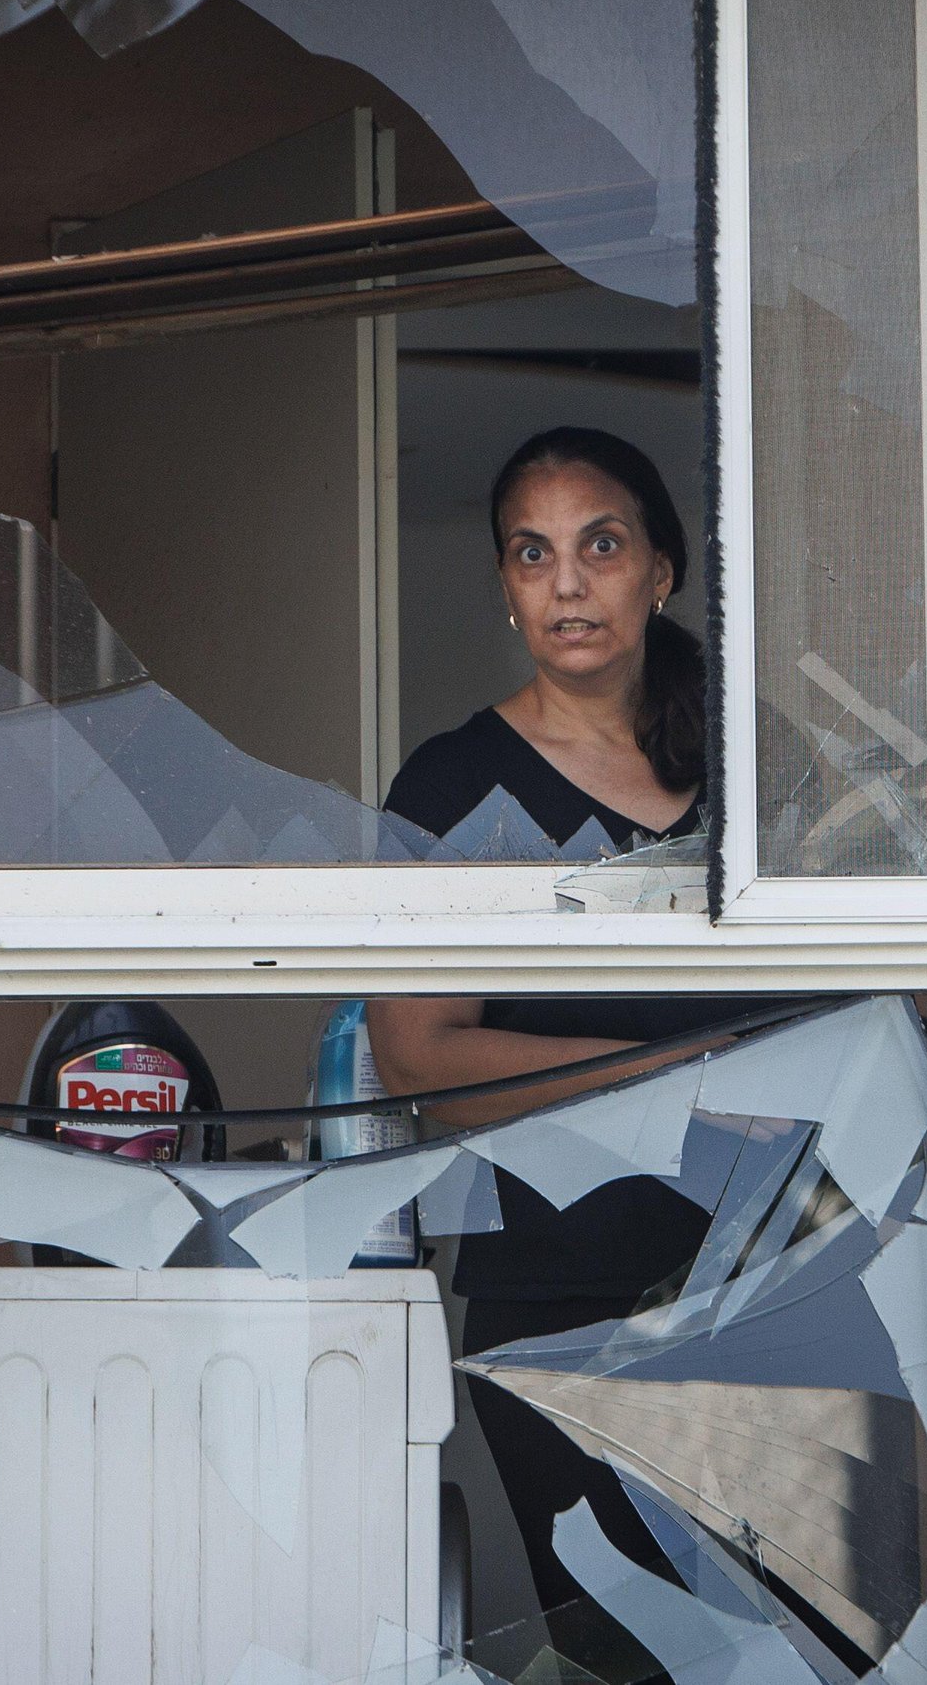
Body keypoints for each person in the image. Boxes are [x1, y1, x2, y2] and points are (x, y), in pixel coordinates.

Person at [368, 428, 774, 1660]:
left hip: (784, 1270)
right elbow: (422, 1059)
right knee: (626, 1639)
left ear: (660, 569)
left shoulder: (765, 771)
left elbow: (883, 1008)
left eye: (599, 545)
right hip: (560, 1292)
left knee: (797, 1637)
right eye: (531, 553)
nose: (565, 582)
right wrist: (671, 1077)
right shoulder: (451, 788)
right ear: (504, 585)